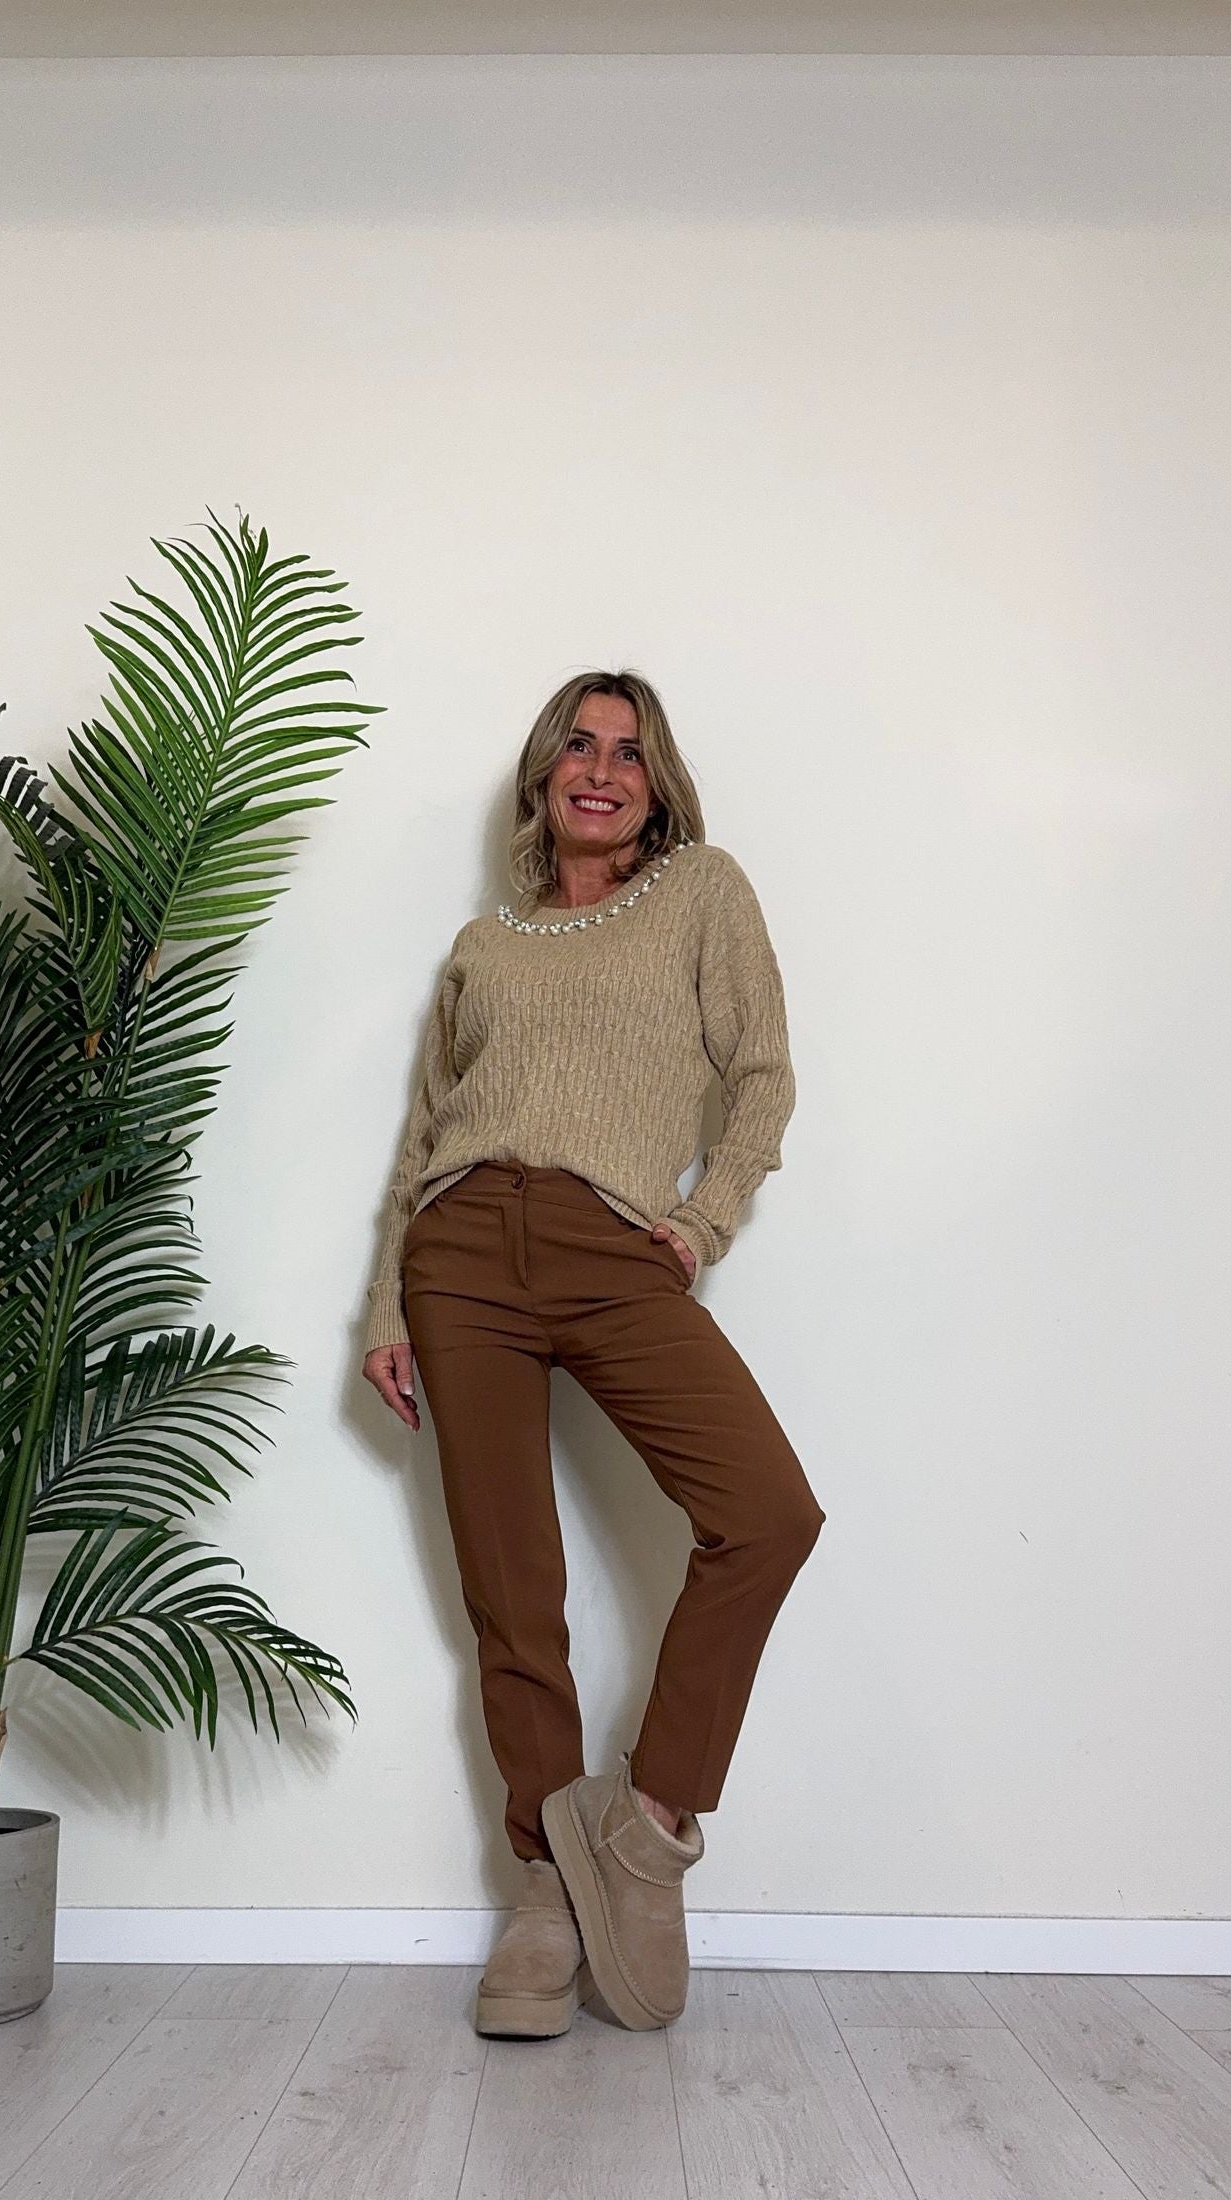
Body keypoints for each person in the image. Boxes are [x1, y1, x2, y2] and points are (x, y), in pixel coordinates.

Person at [362, 671, 826, 2041]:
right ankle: (541, 1892)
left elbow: (763, 1078)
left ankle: (643, 1830)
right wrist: (386, 1308)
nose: (602, 769)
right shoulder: (482, 946)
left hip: (613, 1246)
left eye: (630, 752)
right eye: (579, 744)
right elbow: (421, 1138)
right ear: (542, 775)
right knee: (514, 1594)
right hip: (459, 1254)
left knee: (768, 1513)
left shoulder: (703, 895)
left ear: (657, 785)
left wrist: (701, 1223)